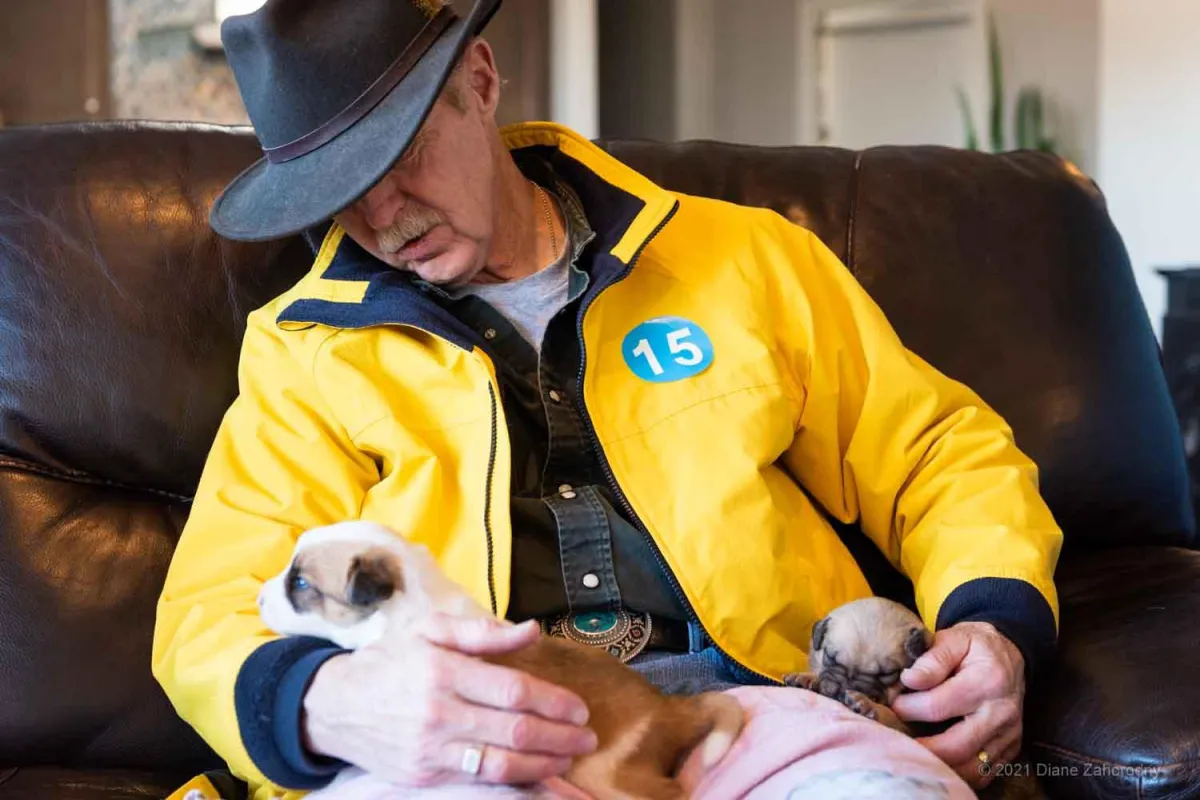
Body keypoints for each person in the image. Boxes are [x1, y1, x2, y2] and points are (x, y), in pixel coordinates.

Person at [152, 1, 1062, 799]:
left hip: (759, 714)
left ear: (480, 78)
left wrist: (996, 624)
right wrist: (327, 704)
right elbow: (210, 607)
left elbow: (937, 453)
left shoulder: (741, 259)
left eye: (405, 153)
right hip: (478, 743)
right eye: (342, 195)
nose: (387, 215)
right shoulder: (303, 351)